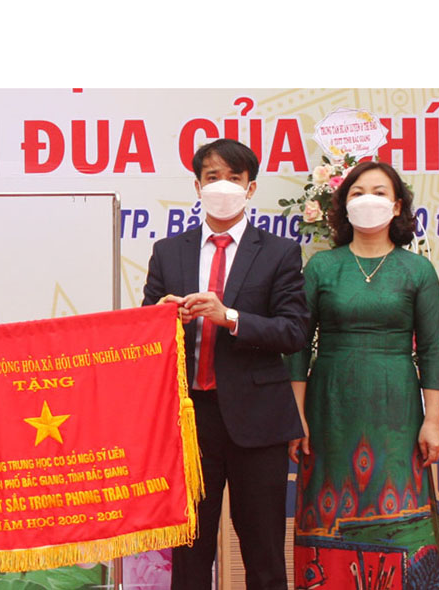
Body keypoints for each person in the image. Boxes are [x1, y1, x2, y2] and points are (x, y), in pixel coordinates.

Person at [142, 138, 310, 590]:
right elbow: (145, 331)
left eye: (233, 178)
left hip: (258, 420)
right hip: (189, 420)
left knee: (263, 551)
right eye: (212, 177)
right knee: (190, 553)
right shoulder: (168, 251)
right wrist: (162, 317)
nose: (223, 186)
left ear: (250, 188)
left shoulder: (278, 252)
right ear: (197, 186)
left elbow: (294, 331)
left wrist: (230, 317)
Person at [287, 161, 439, 589]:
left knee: (400, 502)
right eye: (357, 193)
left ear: (397, 206)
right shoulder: (321, 267)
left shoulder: (417, 270)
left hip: (397, 408)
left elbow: (433, 349)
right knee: (327, 504)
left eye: (379, 192)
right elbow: (297, 346)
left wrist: (432, 421)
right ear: (344, 205)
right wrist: (296, 416)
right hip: (329, 407)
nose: (367, 200)